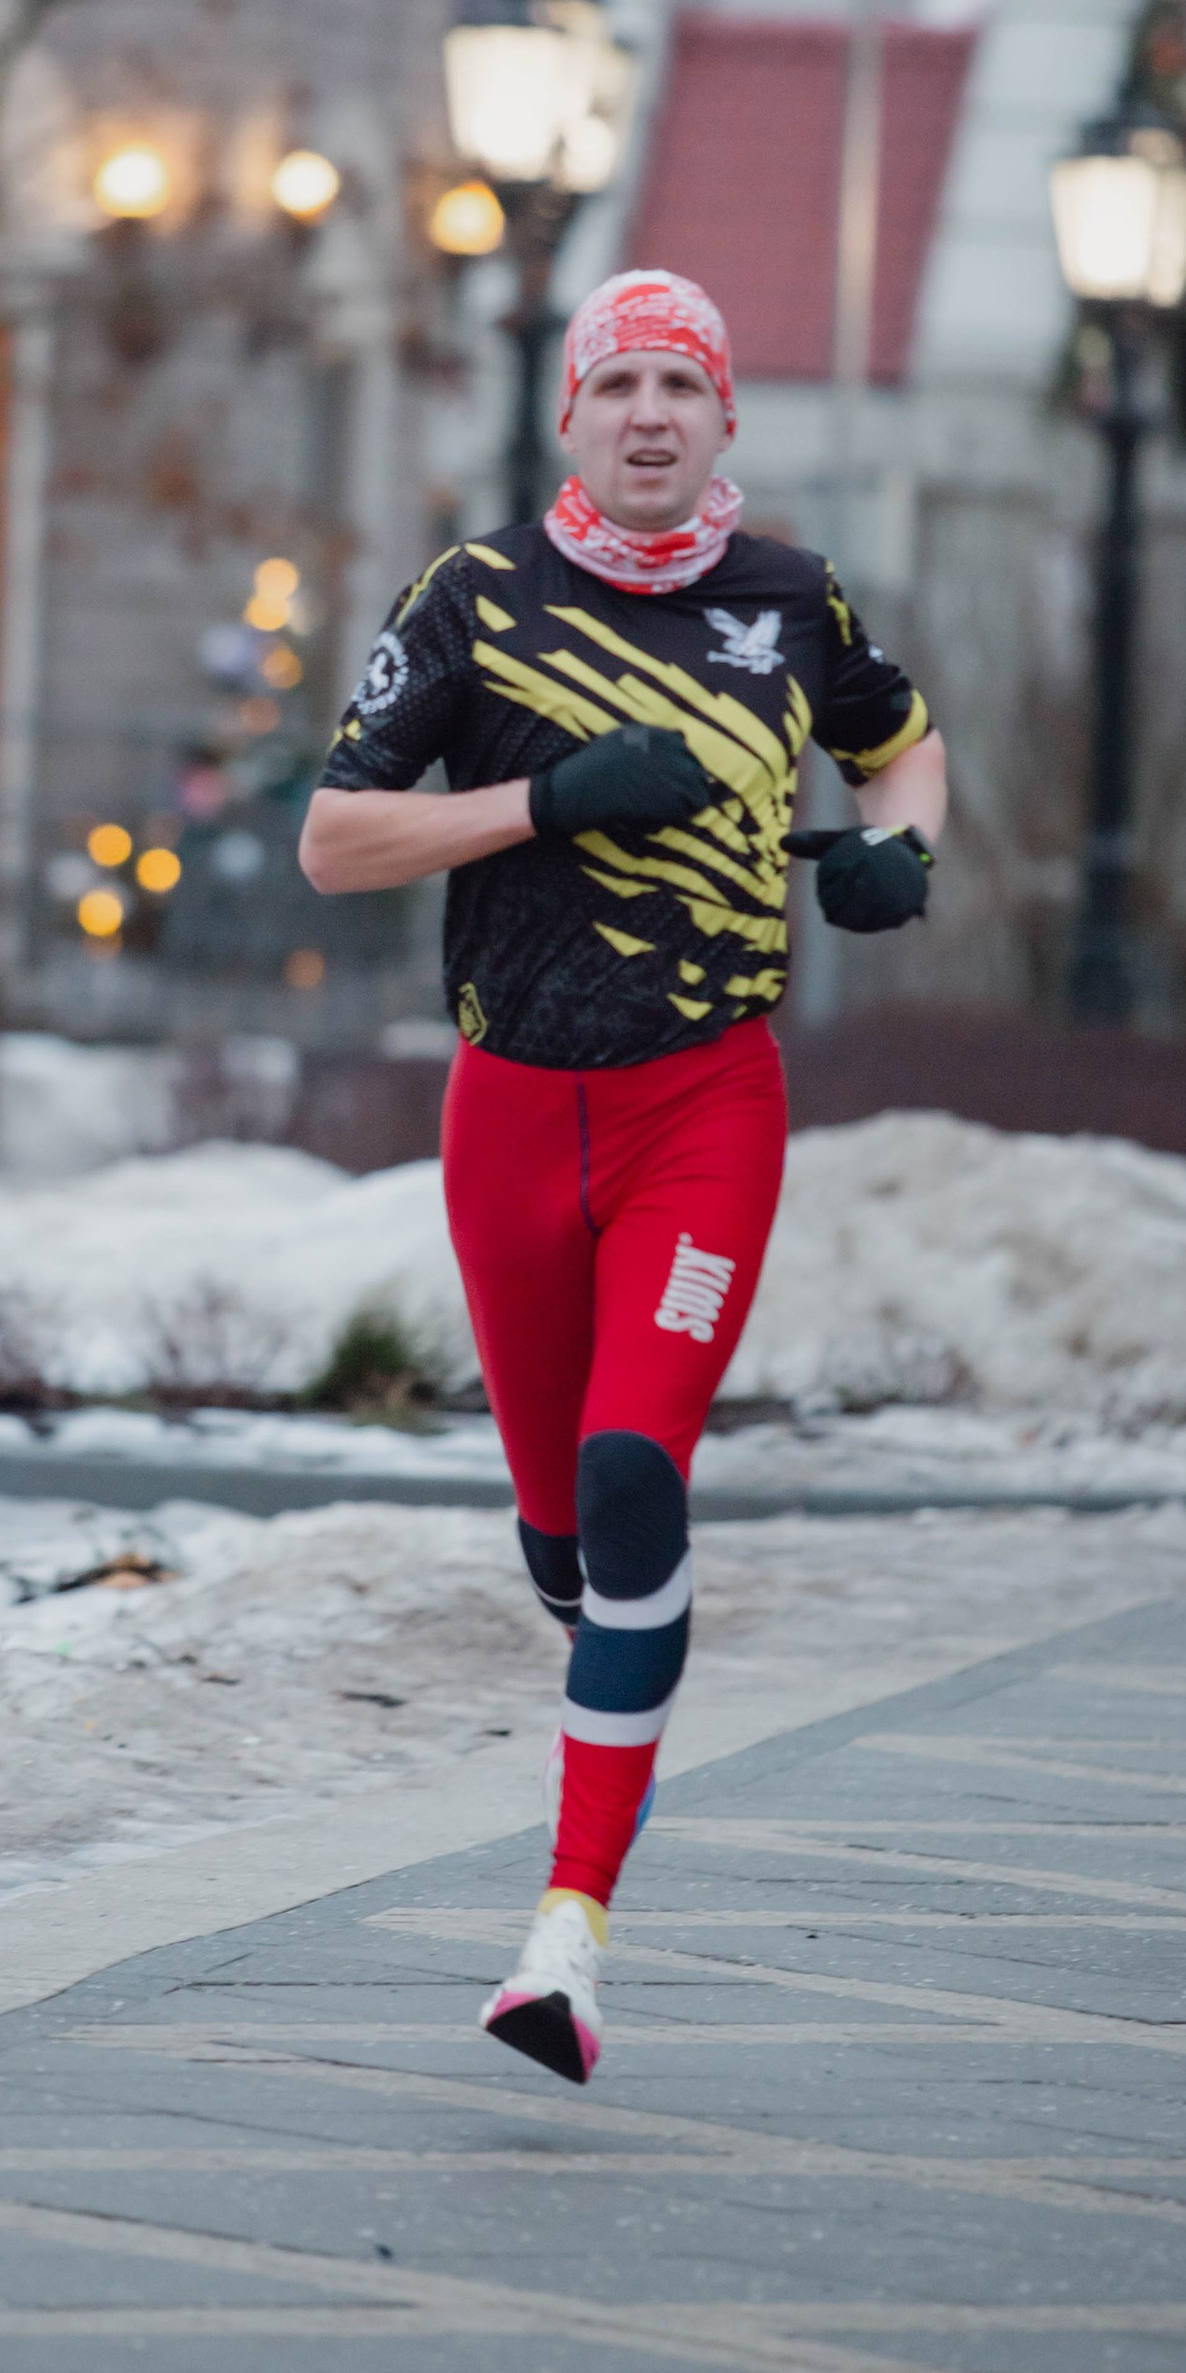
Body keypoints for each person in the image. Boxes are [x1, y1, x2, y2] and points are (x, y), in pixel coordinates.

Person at [298, 266, 947, 2085]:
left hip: (703, 1109)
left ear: (725, 416)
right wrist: (546, 802)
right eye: (620, 384)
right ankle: (610, 1650)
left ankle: (564, 1943)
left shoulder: (792, 598)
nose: (650, 412)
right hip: (510, 1114)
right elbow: (334, 841)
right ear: (571, 416)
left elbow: (903, 749)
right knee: (565, 1542)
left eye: (683, 383)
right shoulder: (475, 598)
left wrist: (901, 856)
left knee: (632, 1472)